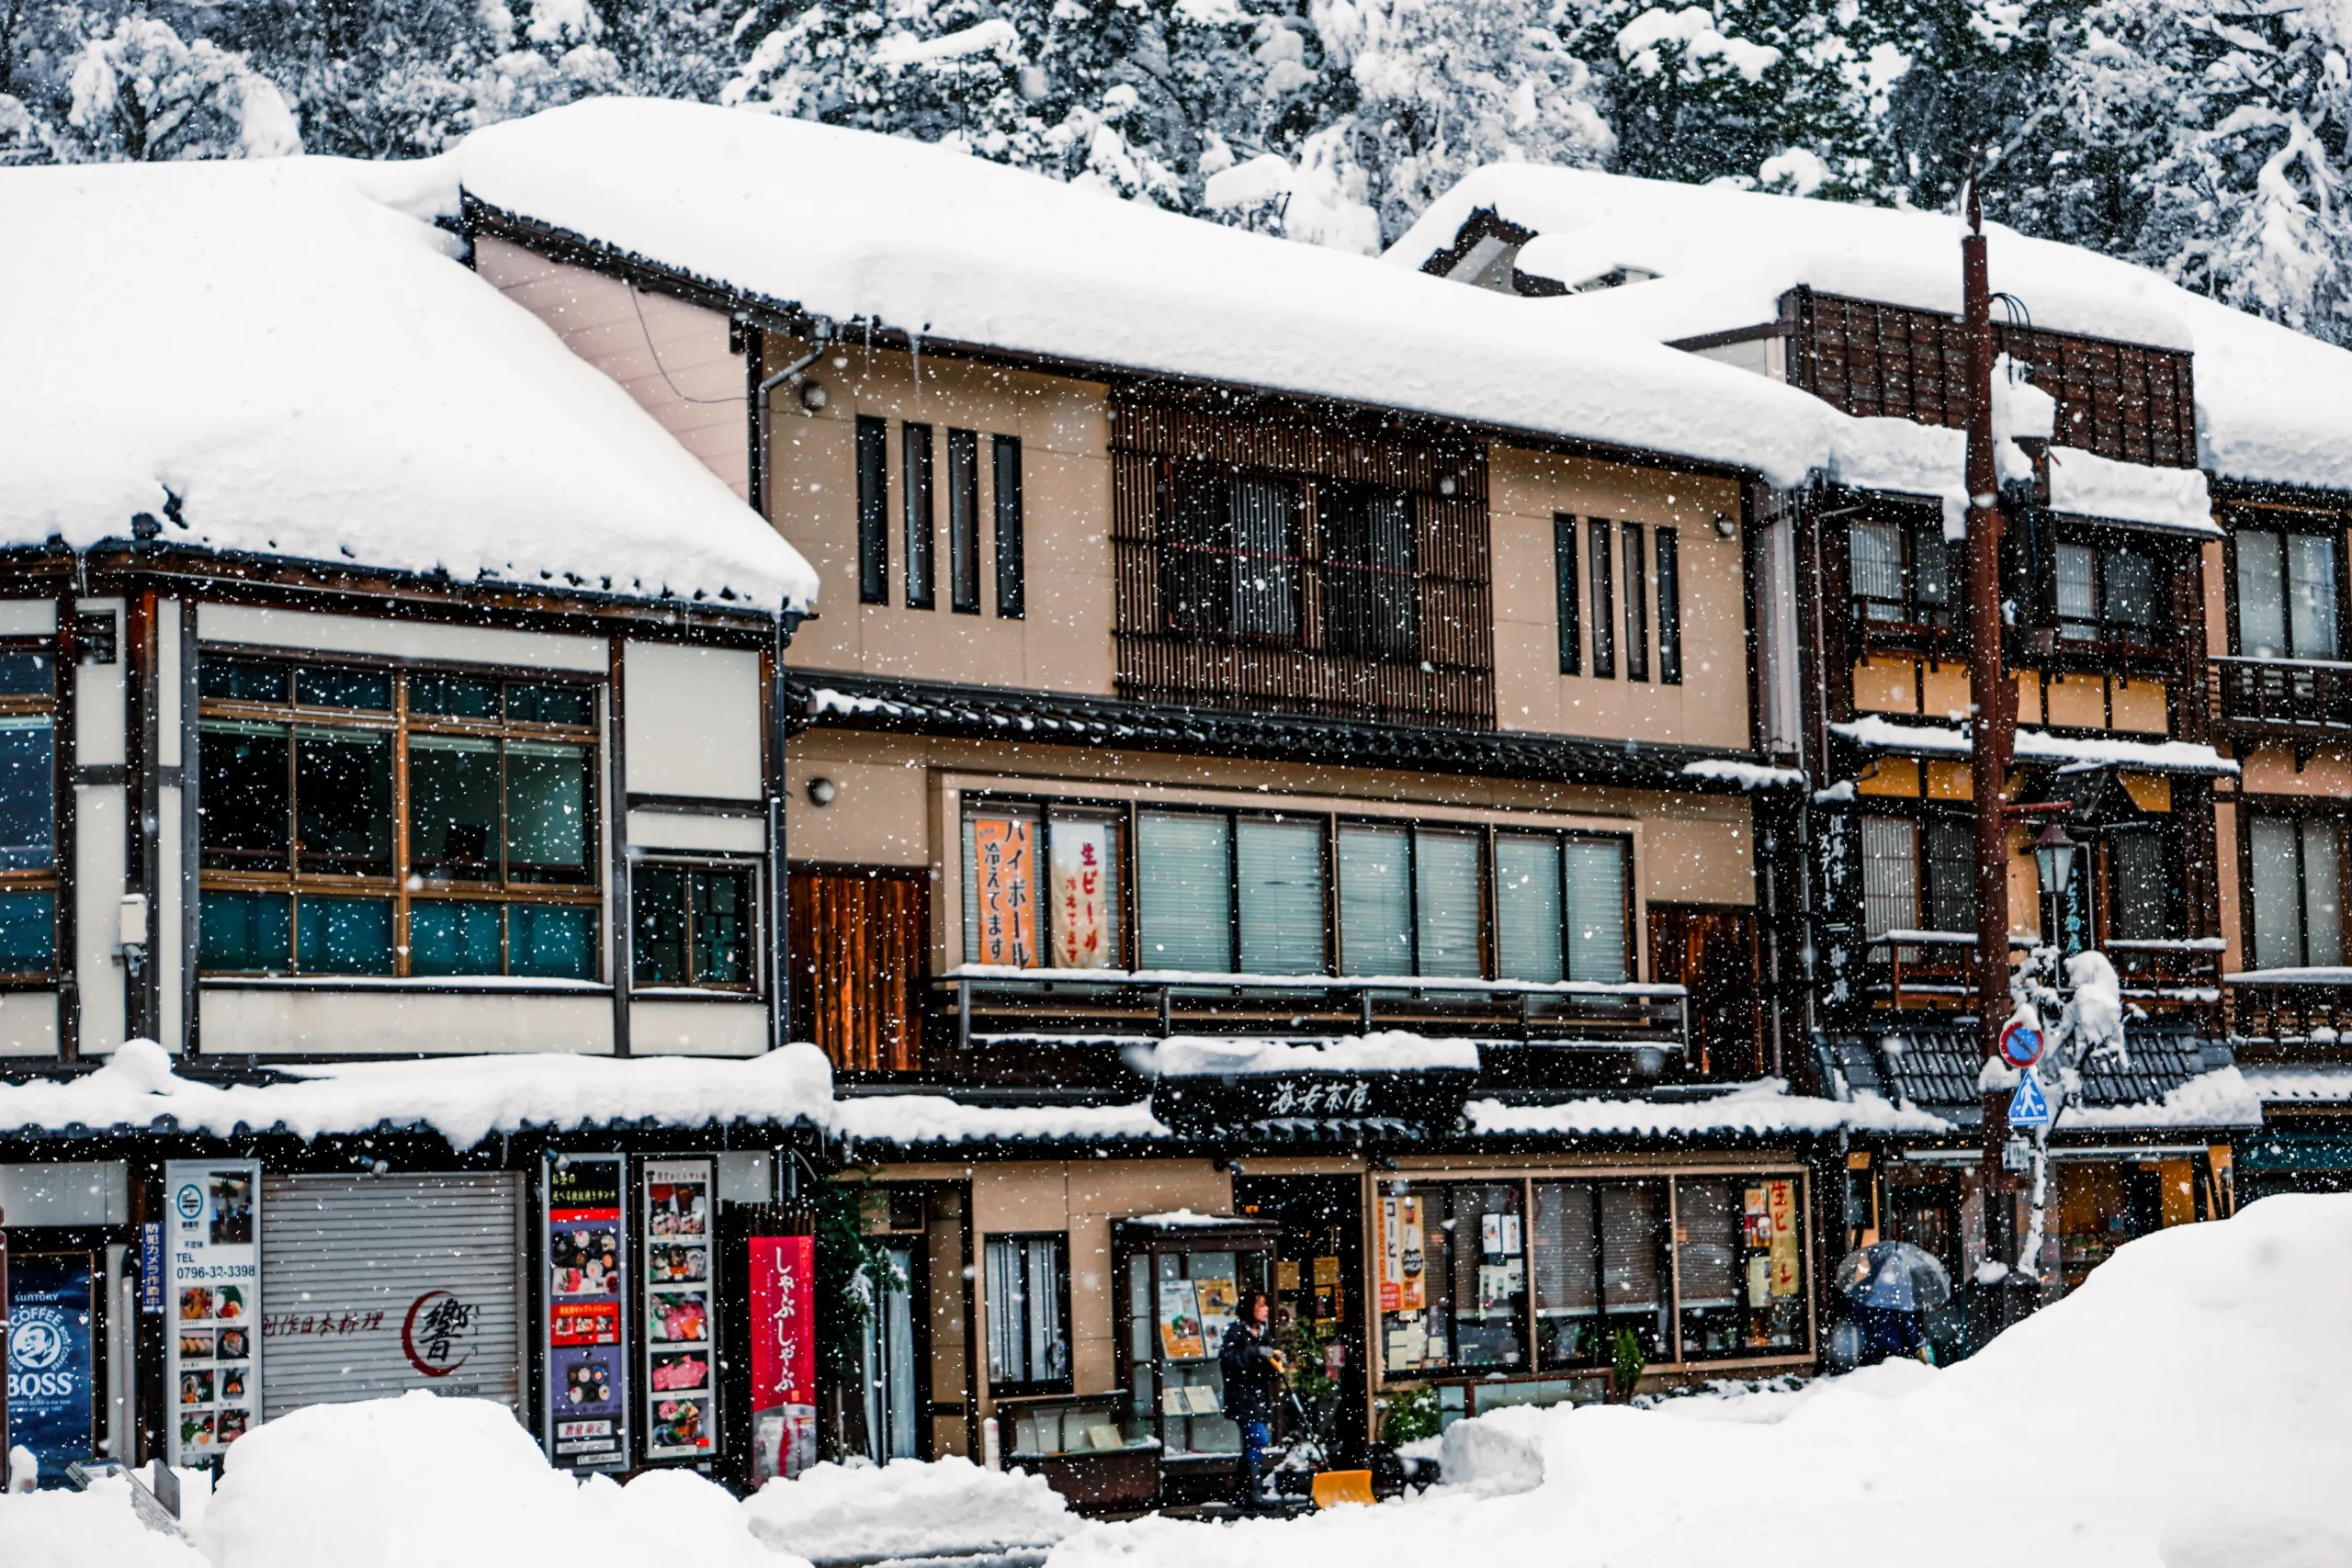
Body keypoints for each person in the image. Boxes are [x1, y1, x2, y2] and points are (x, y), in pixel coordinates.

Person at [1218, 1291, 1285, 1506]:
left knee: (1251, 1444)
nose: (1265, 1310)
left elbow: (1268, 1372)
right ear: (1250, 1309)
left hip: (1258, 1396)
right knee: (1258, 1439)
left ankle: (1244, 1493)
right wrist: (1254, 1353)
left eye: (1266, 1306)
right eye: (1261, 1306)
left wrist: (1274, 1362)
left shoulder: (1263, 1333)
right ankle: (1252, 1492)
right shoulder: (1235, 1332)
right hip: (1241, 1397)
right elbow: (1229, 1361)